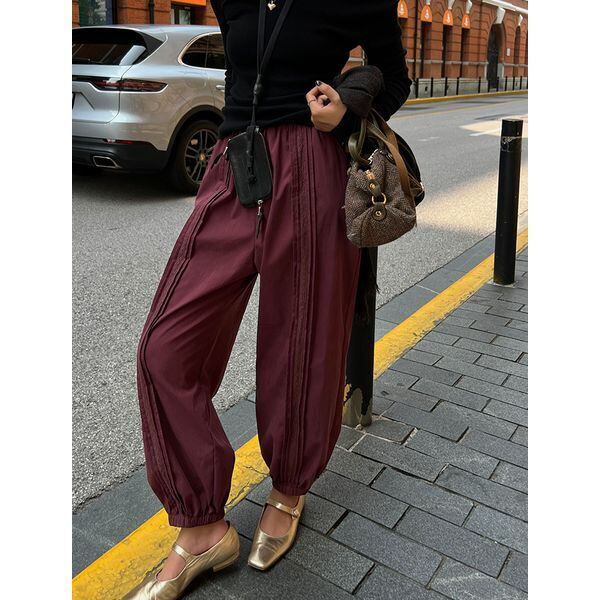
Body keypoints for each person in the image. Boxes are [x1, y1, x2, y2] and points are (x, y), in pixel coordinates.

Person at [126, 0, 411, 597]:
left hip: (314, 166)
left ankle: (289, 487)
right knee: (163, 348)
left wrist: (347, 110)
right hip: (236, 163)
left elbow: (394, 78)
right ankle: (203, 524)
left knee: (300, 346)